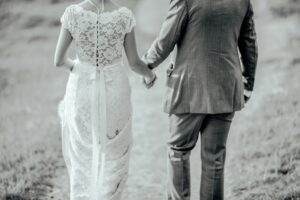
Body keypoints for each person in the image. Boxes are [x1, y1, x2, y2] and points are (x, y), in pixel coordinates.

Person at [142, 0, 258, 199]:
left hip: (188, 89)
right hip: (226, 86)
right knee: (215, 159)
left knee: (178, 151)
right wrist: (248, 82)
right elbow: (249, 43)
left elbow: (165, 41)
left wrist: (146, 65)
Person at [54, 0, 156, 199]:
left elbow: (58, 60)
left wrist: (76, 66)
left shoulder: (73, 13)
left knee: (82, 155)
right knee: (115, 153)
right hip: (114, 89)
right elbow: (134, 63)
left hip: (82, 88)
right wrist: (150, 76)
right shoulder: (123, 15)